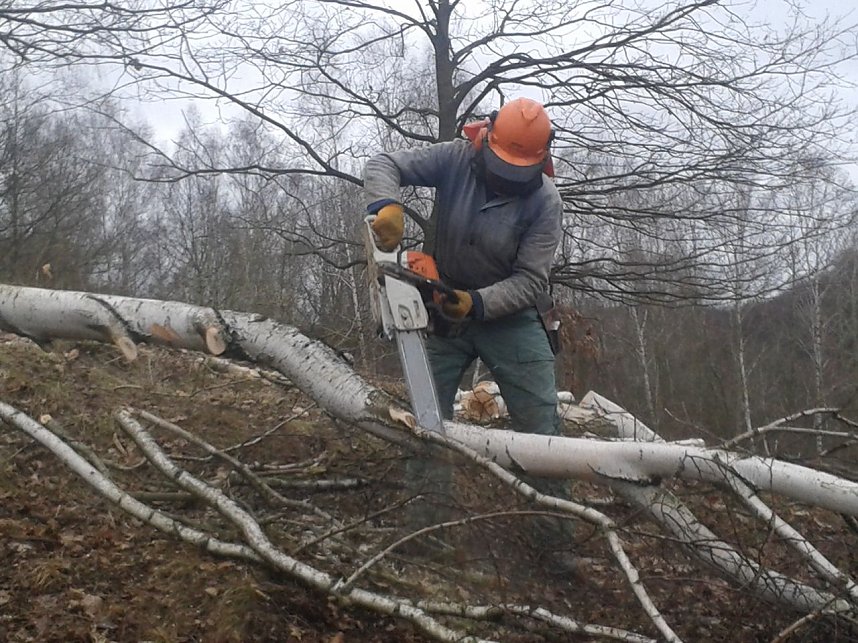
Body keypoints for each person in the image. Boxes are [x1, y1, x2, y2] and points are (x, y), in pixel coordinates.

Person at [363, 97, 574, 569]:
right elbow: (383, 162)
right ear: (486, 141)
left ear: (541, 160)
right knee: (425, 417)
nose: (509, 176)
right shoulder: (456, 158)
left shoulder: (544, 200)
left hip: (511, 318)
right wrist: (385, 204)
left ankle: (553, 542)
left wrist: (478, 304)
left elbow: (532, 280)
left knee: (542, 427)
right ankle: (427, 530)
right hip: (442, 307)